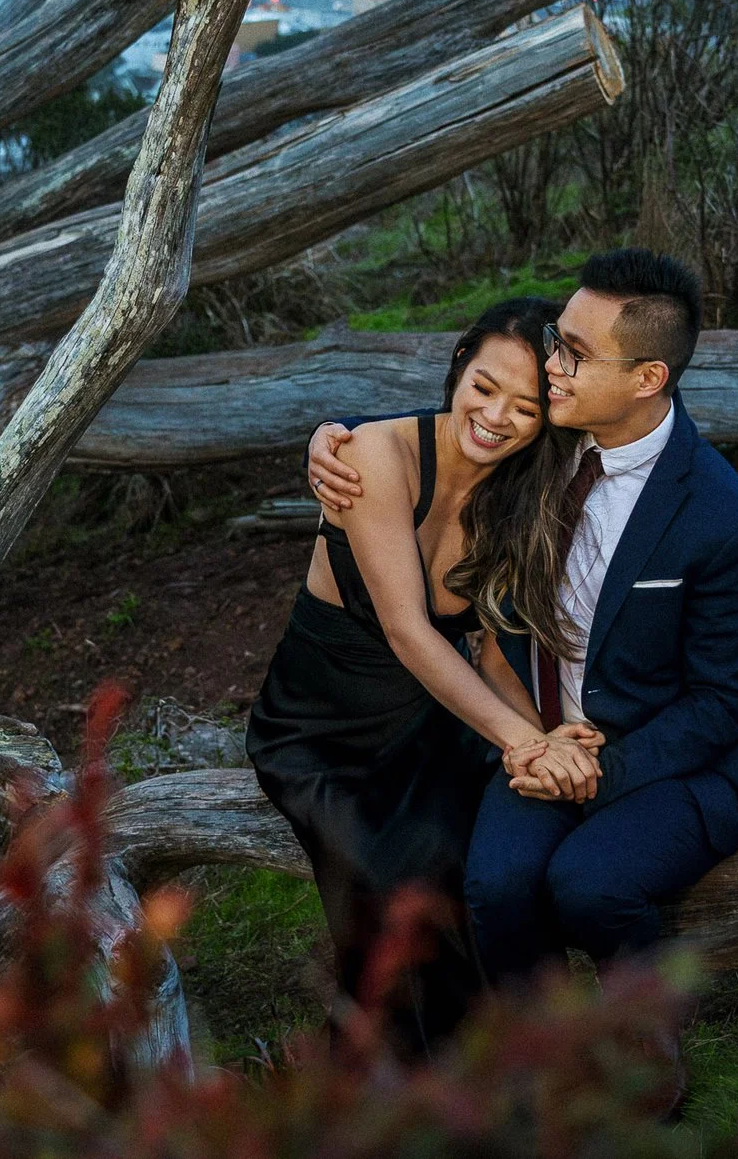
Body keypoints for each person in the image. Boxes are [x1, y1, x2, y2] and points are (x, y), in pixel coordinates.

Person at [307, 249, 738, 992]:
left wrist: (597, 774)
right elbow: (458, 429)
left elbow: (729, 701)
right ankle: (545, 1062)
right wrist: (338, 433)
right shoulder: (551, 440)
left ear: (646, 378)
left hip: (668, 767)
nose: (552, 365)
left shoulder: (724, 518)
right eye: (559, 339)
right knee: (497, 885)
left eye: (576, 354)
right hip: (539, 733)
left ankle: (642, 1045)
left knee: (590, 884)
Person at [247, 296, 606, 1054]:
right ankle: (391, 1082)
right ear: (456, 368)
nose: (497, 417)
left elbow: (488, 648)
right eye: (484, 387)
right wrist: (521, 742)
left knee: (468, 870)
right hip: (319, 733)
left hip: (427, 722)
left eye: (526, 405)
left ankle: (494, 1070)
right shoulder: (374, 454)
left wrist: (545, 739)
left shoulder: (520, 493)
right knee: (387, 885)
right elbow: (411, 632)